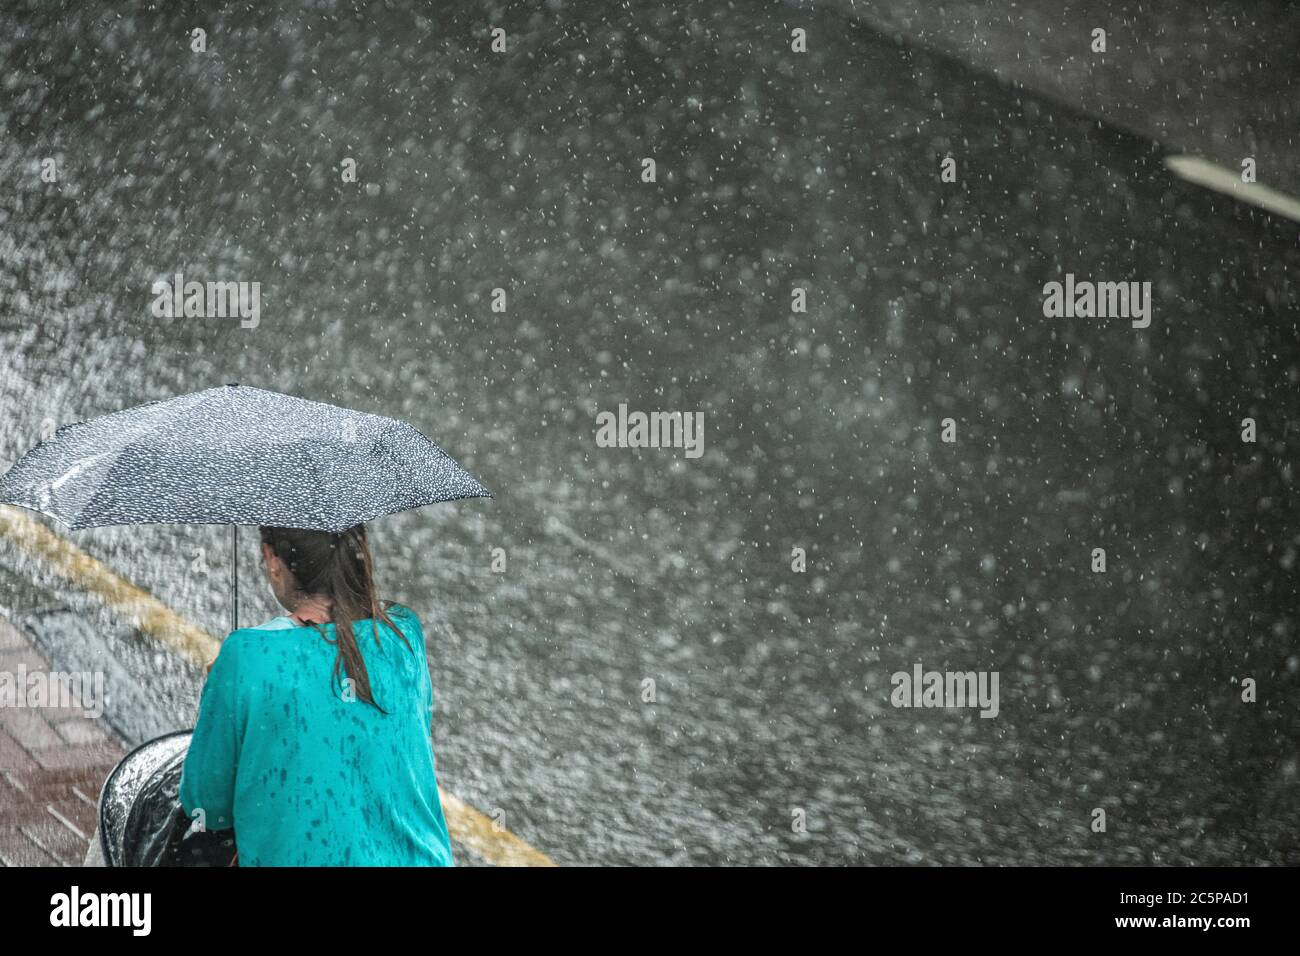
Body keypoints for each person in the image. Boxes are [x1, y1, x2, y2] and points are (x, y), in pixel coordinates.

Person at [174, 524, 455, 866]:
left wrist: (221, 686)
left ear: (272, 560)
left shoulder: (247, 656)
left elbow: (206, 805)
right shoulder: (403, 632)